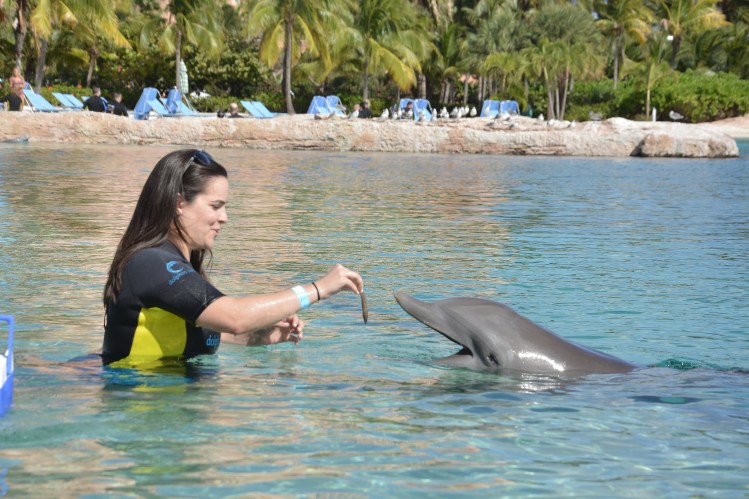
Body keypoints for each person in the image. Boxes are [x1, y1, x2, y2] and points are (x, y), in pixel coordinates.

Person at [102, 149, 364, 366]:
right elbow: (234, 318)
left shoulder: (171, 265)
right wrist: (318, 289)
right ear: (179, 204)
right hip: (141, 405)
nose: (224, 218)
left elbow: (203, 332)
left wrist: (261, 335)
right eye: (215, 206)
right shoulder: (152, 263)